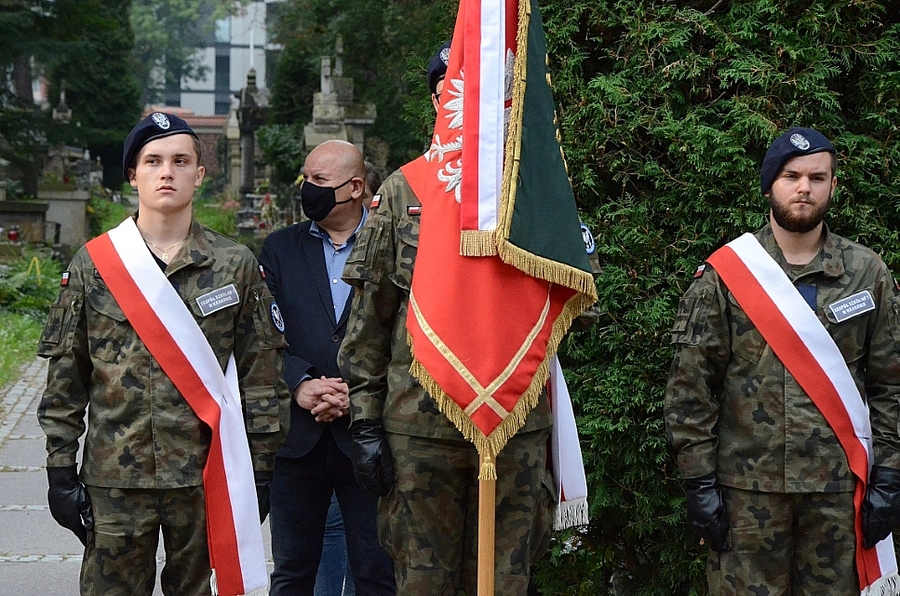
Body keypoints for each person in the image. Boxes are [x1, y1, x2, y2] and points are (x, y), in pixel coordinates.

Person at [340, 42, 574, 596]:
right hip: (420, 429)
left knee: (505, 581)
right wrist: (366, 424)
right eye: (451, 88)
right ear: (440, 100)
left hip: (513, 426)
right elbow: (367, 323)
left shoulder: (537, 192)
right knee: (426, 582)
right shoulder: (403, 192)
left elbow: (569, 311)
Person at [36, 111, 291, 595]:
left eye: (180, 160)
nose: (167, 172)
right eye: (153, 161)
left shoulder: (234, 265)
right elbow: (66, 376)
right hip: (115, 478)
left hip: (206, 474)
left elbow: (262, 378)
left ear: (200, 173)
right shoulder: (96, 264)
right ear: (133, 175)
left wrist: (260, 471)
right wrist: (58, 467)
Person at [665, 127, 900, 593]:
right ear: (770, 183)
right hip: (746, 494)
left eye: (817, 176)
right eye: (791, 176)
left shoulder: (867, 273)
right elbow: (691, 386)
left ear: (833, 185)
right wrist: (698, 483)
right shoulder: (726, 276)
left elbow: (891, 384)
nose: (804, 188)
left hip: (839, 492)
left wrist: (890, 475)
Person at [259, 139, 395, 596]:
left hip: (369, 437)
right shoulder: (278, 249)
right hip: (297, 440)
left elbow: (402, 333)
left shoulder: (390, 245)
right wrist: (300, 383)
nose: (307, 188)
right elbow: (261, 337)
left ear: (355, 187)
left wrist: (354, 394)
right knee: (293, 572)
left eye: (319, 181)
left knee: (377, 571)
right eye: (306, 178)